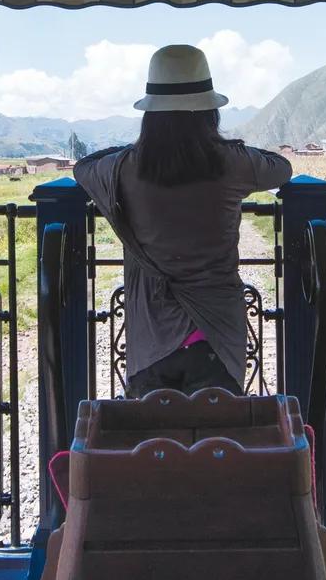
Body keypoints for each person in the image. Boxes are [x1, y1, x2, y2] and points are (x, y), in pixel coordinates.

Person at [73, 44, 292, 395]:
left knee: (152, 444)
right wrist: (233, 146)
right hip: (217, 336)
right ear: (210, 112)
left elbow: (83, 168)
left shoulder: (124, 167)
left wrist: (128, 149)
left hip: (151, 335)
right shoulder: (230, 162)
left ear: (150, 115)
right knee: (217, 444)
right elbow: (280, 168)